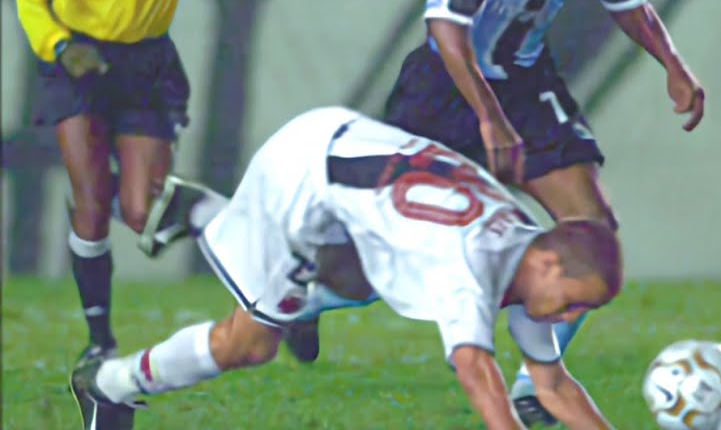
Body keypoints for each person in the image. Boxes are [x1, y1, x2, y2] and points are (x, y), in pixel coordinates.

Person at [284, 0, 706, 426]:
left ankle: (536, 386)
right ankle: (308, 300)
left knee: (592, 235)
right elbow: (446, 26)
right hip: (446, 86)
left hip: (526, 83)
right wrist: (487, 116)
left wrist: (673, 64)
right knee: (368, 258)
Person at [69, 107, 624, 430]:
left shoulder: (527, 249)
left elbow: (552, 385)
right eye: (577, 300)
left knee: (370, 280)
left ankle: (283, 278)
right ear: (549, 261)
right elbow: (475, 368)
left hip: (346, 161)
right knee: (250, 344)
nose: (574, 315)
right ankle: (111, 384)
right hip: (300, 176)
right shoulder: (471, 262)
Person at [13, 0, 255, 367]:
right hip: (81, 62)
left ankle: (248, 245)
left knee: (145, 210)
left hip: (146, 61)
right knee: (92, 199)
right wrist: (61, 46)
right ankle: (100, 339)